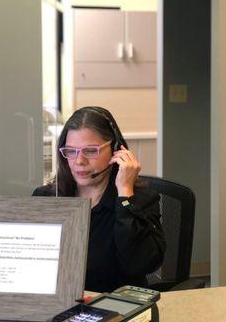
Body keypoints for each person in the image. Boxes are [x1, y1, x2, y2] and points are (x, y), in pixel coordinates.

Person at [33, 106, 165, 293]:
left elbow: (139, 265)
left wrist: (125, 194)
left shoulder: (138, 200)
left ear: (116, 150)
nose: (79, 161)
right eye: (71, 151)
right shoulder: (46, 198)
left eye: (90, 151)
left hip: (116, 307)